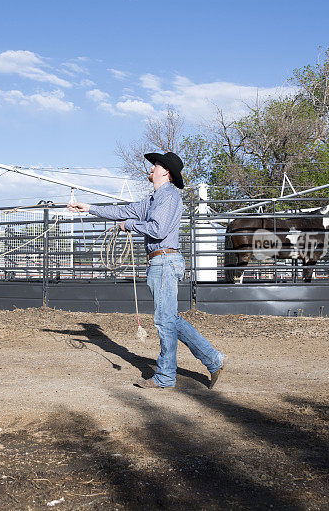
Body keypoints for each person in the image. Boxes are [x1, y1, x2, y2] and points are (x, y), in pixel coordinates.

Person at [68, 152, 227, 389]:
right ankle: (213, 359)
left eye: (156, 165)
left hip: (164, 261)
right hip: (161, 262)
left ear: (166, 172)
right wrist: (89, 208)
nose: (151, 168)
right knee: (170, 319)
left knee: (164, 321)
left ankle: (165, 376)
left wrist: (129, 225)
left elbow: (158, 229)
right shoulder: (154, 200)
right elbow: (124, 211)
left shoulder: (169, 196)